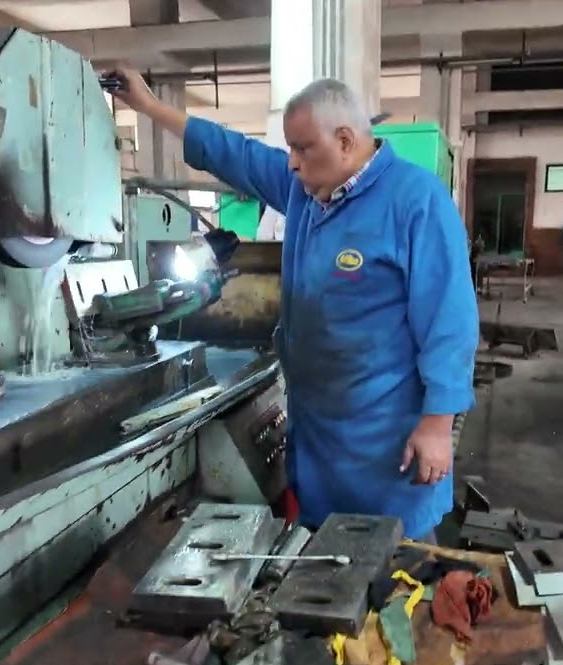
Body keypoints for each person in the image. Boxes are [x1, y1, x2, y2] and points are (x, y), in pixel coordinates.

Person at [110, 70, 479, 541]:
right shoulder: (305, 192)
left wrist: (437, 424)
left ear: (344, 140)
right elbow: (236, 154)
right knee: (317, 567)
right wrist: (148, 106)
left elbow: (450, 323)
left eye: (301, 148)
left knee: (394, 570)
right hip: (319, 433)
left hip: (385, 440)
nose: (290, 163)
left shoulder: (416, 202)